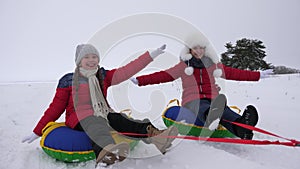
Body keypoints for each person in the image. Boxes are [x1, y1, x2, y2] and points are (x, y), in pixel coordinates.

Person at [22, 44, 178, 166]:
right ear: (79, 61)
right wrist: (37, 132)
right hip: (79, 118)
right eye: (87, 57)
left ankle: (158, 137)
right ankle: (106, 154)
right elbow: (55, 108)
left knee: (121, 120)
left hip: (103, 111)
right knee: (96, 125)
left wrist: (150, 56)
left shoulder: (103, 76)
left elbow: (126, 70)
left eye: (94, 57)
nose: (91, 60)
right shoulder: (68, 80)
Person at [130, 39, 273, 140]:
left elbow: (233, 73)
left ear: (205, 50)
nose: (198, 51)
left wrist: (258, 75)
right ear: (189, 50)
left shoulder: (212, 66)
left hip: (213, 99)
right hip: (193, 101)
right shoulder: (183, 66)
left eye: (201, 48)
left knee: (224, 109)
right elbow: (164, 75)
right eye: (195, 48)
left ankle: (243, 128)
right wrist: (140, 80)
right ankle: (210, 117)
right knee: (202, 106)